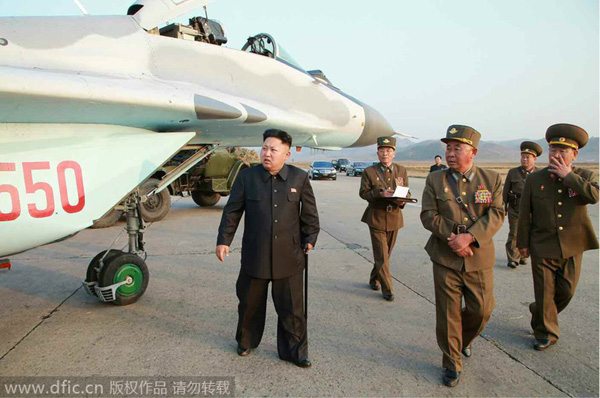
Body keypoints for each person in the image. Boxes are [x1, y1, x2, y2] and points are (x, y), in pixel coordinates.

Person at [215, 129, 320, 368]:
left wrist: (310, 238)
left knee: (292, 310)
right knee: (249, 303)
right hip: (256, 254)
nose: (267, 153)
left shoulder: (299, 178)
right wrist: (224, 240)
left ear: (286, 153)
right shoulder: (247, 178)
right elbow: (232, 211)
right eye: (264, 148)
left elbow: (310, 216)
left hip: (290, 256)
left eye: (273, 149)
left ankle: (295, 351)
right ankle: (246, 342)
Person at [420, 125, 505, 387]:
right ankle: (452, 362)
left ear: (473, 152)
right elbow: (428, 215)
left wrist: (470, 237)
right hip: (445, 257)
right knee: (448, 313)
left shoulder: (491, 179)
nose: (451, 153)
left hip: (478, 256)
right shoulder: (435, 180)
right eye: (448, 148)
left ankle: (464, 340)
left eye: (457, 148)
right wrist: (455, 239)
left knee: (482, 311)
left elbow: (497, 213)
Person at [517, 123, 598, 351]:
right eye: (553, 150)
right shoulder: (535, 179)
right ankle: (545, 332)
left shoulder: (584, 175)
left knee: (567, 291)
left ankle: (539, 311)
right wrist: (522, 243)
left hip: (573, 245)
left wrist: (569, 177)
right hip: (542, 245)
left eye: (563, 151)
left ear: (575, 154)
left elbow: (594, 196)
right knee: (545, 292)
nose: (557, 155)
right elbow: (524, 214)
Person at [359, 136, 408, 302]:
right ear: (378, 152)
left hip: (394, 217)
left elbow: (405, 192)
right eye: (382, 151)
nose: (385, 154)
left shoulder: (401, 170)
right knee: (381, 254)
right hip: (376, 217)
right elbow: (363, 193)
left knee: (386, 254)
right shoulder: (369, 171)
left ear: (394, 153)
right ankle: (388, 289)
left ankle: (375, 278)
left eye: (388, 151)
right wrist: (380, 193)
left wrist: (403, 199)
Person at [502, 141, 543, 268]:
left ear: (534, 159)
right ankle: (513, 258)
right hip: (515, 207)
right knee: (514, 233)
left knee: (529, 233)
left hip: (533, 210)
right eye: (522, 157)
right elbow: (505, 191)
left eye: (527, 157)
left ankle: (523, 255)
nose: (524, 160)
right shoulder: (513, 172)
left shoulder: (540, 174)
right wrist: (504, 207)